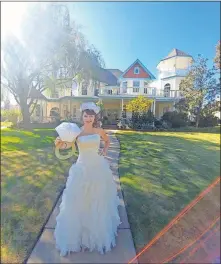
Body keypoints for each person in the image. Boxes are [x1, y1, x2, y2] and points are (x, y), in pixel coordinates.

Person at [54, 102, 121, 257]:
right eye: (86, 115)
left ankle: (97, 232)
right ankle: (78, 234)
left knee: (98, 199)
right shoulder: (77, 132)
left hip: (98, 167)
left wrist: (104, 150)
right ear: (82, 116)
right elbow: (66, 145)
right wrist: (59, 143)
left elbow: (107, 140)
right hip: (82, 168)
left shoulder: (99, 130)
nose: (88, 118)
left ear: (94, 117)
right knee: (77, 200)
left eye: (91, 116)